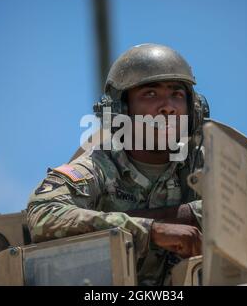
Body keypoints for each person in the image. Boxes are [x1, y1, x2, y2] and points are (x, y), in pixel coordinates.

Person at [26, 43, 210, 286]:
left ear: (194, 110)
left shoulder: (205, 161)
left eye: (177, 94)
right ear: (120, 110)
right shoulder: (98, 165)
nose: (168, 106)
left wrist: (188, 214)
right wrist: (151, 230)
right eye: (150, 94)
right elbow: (43, 213)